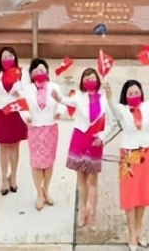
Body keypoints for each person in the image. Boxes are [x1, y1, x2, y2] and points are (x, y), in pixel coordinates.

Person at [106, 77, 149, 250]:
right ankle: (131, 234)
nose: (134, 95)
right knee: (130, 195)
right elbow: (111, 105)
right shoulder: (122, 110)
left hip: (146, 153)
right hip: (129, 156)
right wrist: (109, 94)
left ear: (141, 93)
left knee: (143, 194)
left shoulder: (147, 107)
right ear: (125, 96)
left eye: (136, 92)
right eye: (130, 93)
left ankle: (139, 231)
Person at [56, 68, 111, 228]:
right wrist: (57, 98)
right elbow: (65, 100)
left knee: (93, 180)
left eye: (92, 78)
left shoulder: (104, 98)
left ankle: (92, 213)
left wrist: (101, 137)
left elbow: (110, 122)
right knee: (81, 179)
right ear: (82, 82)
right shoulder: (79, 97)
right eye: (86, 79)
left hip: (95, 141)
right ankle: (82, 211)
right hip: (80, 139)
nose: (90, 81)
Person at [20, 58, 63, 210]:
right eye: (37, 70)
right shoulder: (27, 89)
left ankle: (46, 189)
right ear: (31, 73)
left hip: (50, 128)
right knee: (37, 162)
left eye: (43, 70)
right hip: (35, 128)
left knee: (49, 161)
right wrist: (27, 117)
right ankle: (39, 192)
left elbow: (61, 104)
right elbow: (22, 106)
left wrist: (59, 113)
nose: (40, 72)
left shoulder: (54, 87)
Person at [0, 46, 27, 195]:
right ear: (0, 59)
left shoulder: (21, 73)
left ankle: (13, 177)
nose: (8, 59)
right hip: (1, 112)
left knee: (15, 146)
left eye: (10, 56)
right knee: (4, 147)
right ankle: (4, 178)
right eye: (5, 57)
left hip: (15, 112)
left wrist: (20, 93)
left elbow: (26, 91)